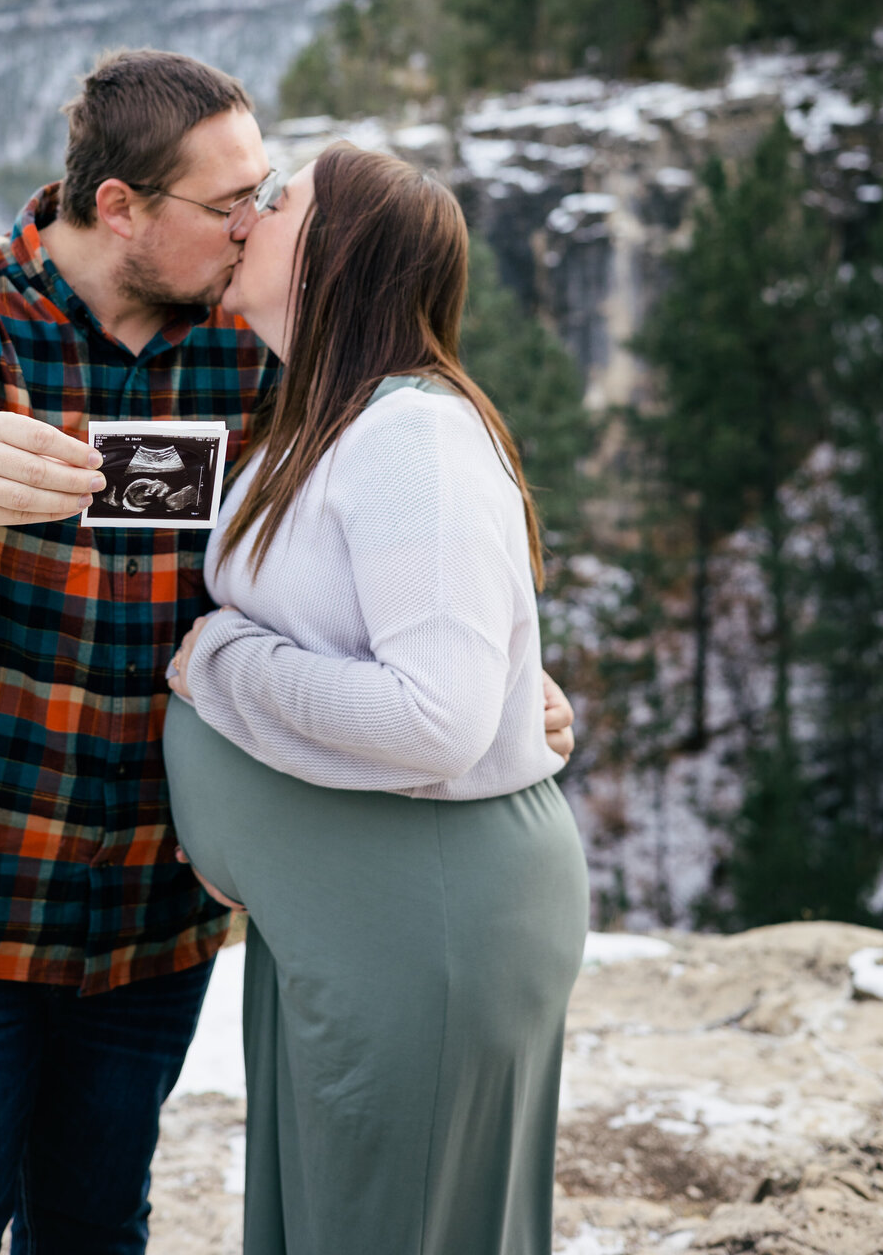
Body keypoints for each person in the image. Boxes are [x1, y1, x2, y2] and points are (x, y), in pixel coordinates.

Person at [0, 48, 577, 1255]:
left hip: (145, 913)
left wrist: (493, 670)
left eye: (266, 195)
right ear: (120, 206)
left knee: (99, 1224)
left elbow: (373, 553)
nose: (252, 225)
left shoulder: (258, 363)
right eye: (231, 207)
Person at [164, 143, 590, 1255]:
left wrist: (214, 665)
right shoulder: (316, 422)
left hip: (425, 926)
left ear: (333, 252)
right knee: (330, 1217)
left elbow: (432, 720)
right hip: (340, 920)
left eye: (278, 199)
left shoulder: (411, 437)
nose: (250, 218)